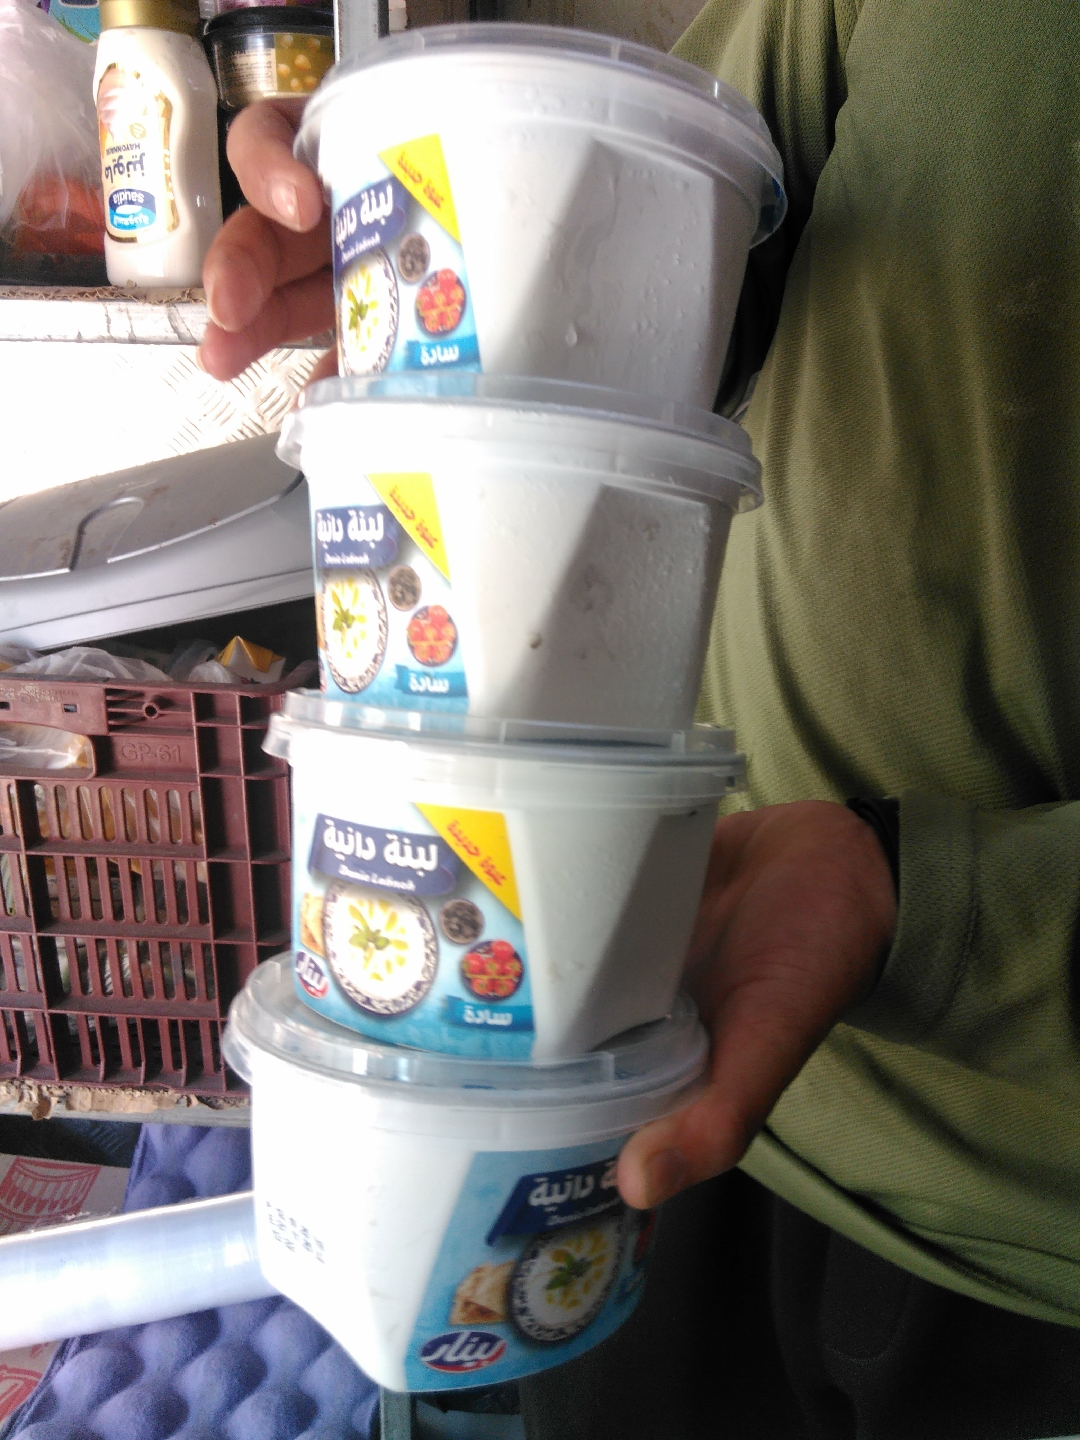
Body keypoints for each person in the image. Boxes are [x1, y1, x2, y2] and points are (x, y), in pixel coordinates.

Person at [199, 2, 1080, 1433]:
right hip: (644, 1028)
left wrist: (934, 901)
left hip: (1018, 1221)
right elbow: (685, 203)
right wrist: (433, 194)